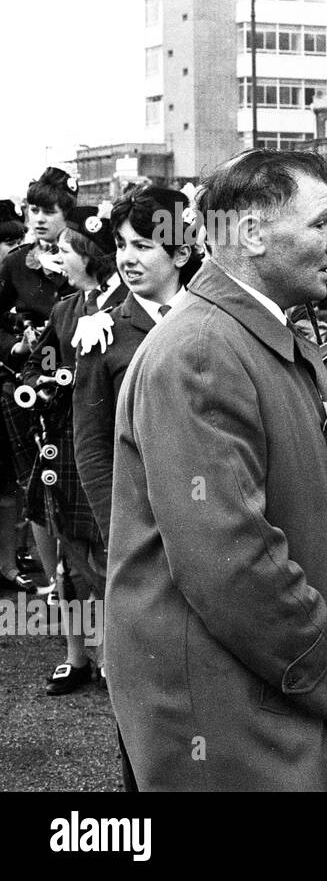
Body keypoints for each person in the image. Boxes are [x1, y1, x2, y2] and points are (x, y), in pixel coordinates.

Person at [105, 149, 327, 790]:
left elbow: (317, 510)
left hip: (263, 687)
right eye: (322, 223)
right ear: (251, 233)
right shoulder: (202, 351)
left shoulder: (251, 336)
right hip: (228, 713)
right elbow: (228, 558)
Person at [22, 204, 128, 694]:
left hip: (107, 447)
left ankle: (115, 653)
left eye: (65, 249)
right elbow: (34, 367)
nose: (57, 257)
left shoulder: (126, 305)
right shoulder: (65, 312)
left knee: (107, 553)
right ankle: (75, 654)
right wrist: (41, 383)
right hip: (61, 446)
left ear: (90, 255)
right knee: (67, 552)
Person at [73, 184, 201, 543]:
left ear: (180, 254)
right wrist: (121, 535)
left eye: (143, 246)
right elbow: (92, 449)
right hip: (143, 529)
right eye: (121, 245)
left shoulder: (215, 322)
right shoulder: (102, 335)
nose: (127, 258)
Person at [0, 168, 77, 600]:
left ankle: (82, 572)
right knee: (35, 483)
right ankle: (55, 581)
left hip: (79, 387)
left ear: (67, 213)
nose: (39, 218)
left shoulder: (88, 258)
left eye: (49, 210)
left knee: (78, 479)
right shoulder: (16, 263)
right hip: (26, 388)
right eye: (34, 209)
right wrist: (14, 346)